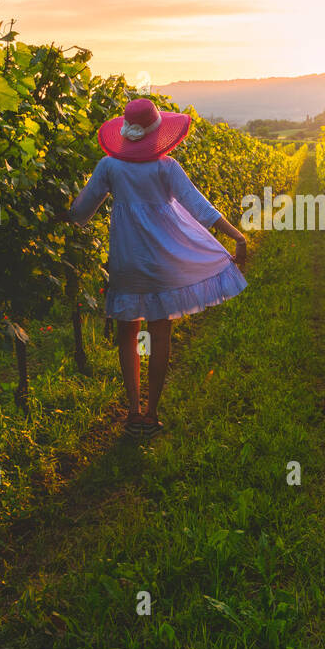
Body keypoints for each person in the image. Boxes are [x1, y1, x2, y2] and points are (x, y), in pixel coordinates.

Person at [58, 97, 248, 437]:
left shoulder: (109, 166)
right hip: (162, 257)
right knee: (160, 332)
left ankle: (132, 410)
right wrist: (238, 237)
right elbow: (199, 206)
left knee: (127, 332)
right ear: (156, 132)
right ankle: (152, 412)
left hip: (126, 258)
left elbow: (81, 213)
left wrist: (57, 212)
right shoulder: (166, 167)